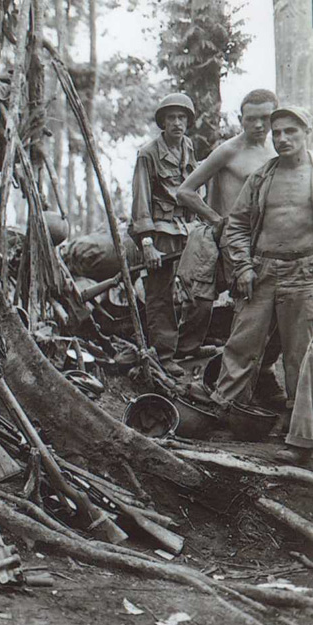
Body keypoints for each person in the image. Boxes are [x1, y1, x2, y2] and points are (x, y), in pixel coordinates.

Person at [177, 89, 286, 406]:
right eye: (251, 119)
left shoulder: (275, 154)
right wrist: (216, 220)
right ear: (241, 120)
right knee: (246, 313)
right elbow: (185, 191)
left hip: (266, 246)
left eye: (265, 119)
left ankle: (262, 375)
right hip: (232, 245)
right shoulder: (228, 150)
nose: (258, 125)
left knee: (276, 314)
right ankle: (227, 392)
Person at [210, 107, 313, 434]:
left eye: (290, 131)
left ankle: (299, 431)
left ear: (306, 132)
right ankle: (223, 413)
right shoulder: (262, 176)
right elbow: (236, 224)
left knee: (299, 354)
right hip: (260, 271)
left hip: (303, 274)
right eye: (277, 132)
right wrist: (242, 266)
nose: (282, 138)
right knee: (242, 343)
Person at [130, 92, 207, 377]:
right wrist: (147, 243)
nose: (177, 122)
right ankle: (163, 354)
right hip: (160, 232)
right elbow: (140, 199)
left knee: (199, 287)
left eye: (182, 117)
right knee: (160, 294)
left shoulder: (188, 147)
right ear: (162, 122)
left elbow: (194, 189)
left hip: (189, 229)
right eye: (171, 118)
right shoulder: (148, 153)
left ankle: (188, 346)